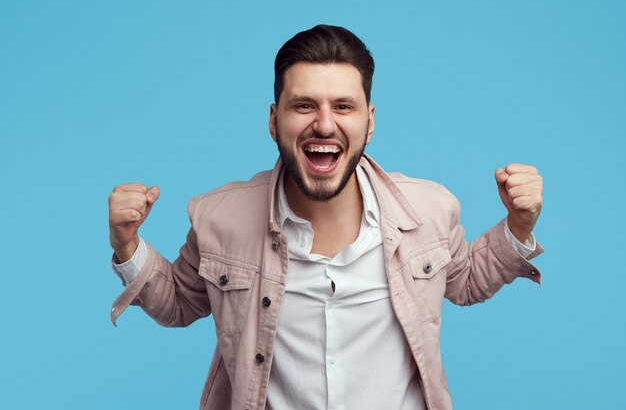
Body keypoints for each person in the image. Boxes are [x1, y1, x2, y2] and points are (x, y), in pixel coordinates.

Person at [108, 25, 543, 410]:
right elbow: (181, 302)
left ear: (369, 123)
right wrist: (128, 246)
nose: (324, 124)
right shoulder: (219, 219)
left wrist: (517, 228)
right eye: (303, 106)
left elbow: (464, 280)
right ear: (274, 121)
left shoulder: (429, 209)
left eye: (344, 106)